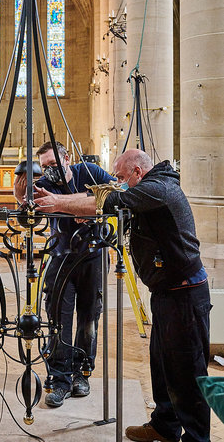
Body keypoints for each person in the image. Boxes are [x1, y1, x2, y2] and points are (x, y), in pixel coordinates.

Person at [34, 148, 211, 442]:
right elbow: (116, 212)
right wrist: (88, 214)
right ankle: (165, 426)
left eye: (120, 177)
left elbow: (112, 200)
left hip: (186, 293)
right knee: (163, 364)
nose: (118, 182)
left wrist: (59, 203)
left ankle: (196, 438)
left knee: (189, 372)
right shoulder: (150, 190)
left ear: (137, 173)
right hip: (167, 292)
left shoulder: (159, 189)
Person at [14, 141, 112, 407]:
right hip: (61, 255)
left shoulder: (90, 172)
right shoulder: (47, 184)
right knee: (59, 320)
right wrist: (21, 195)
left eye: (53, 165)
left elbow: (115, 194)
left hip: (93, 255)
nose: (49, 171)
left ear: (67, 158)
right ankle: (59, 380)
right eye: (45, 167)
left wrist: (80, 206)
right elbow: (28, 209)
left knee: (89, 319)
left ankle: (82, 374)